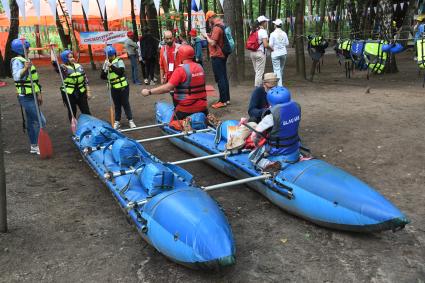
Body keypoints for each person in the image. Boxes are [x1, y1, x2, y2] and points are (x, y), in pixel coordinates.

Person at [141, 45, 207, 120]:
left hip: (186, 109)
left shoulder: (180, 70)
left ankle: (181, 125)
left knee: (172, 124)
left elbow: (167, 88)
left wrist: (149, 92)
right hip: (203, 107)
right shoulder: (200, 67)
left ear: (181, 55)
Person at [249, 86, 301, 173]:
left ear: (270, 102)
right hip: (294, 146)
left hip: (278, 150)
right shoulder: (297, 107)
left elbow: (255, 134)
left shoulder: (271, 116)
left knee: (251, 156)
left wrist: (256, 142)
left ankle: (267, 164)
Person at [11, 38, 46, 155]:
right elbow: (16, 77)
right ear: (21, 49)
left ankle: (34, 146)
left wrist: (39, 93)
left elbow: (34, 80)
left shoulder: (26, 59)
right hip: (25, 97)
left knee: (31, 122)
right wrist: (25, 68)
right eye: (27, 48)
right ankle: (37, 144)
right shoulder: (17, 61)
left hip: (33, 95)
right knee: (41, 121)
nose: (29, 49)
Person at [101, 46, 136, 130]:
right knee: (117, 105)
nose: (109, 58)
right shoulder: (106, 62)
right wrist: (105, 69)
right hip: (113, 87)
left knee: (125, 103)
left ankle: (130, 120)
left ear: (113, 54)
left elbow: (120, 72)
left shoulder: (119, 61)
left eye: (110, 56)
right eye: (107, 56)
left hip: (123, 86)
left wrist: (111, 66)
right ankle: (117, 121)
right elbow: (102, 77)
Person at [51, 49, 91, 123]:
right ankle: (75, 129)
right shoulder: (63, 68)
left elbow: (85, 79)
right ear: (65, 59)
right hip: (69, 93)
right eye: (70, 57)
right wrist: (52, 50)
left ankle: (90, 127)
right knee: (72, 112)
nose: (72, 58)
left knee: (86, 111)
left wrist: (88, 92)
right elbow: (54, 63)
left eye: (72, 56)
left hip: (81, 91)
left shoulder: (79, 66)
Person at [203, 12, 230, 109]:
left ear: (211, 18)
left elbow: (213, 43)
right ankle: (226, 99)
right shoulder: (222, 25)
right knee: (224, 77)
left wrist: (206, 36)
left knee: (220, 78)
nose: (208, 22)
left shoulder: (216, 27)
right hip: (222, 55)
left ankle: (222, 101)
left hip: (217, 56)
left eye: (208, 20)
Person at [249, 16, 273, 87]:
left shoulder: (252, 30)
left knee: (257, 71)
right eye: (266, 22)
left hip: (252, 53)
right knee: (259, 72)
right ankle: (257, 89)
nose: (266, 23)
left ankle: (259, 87)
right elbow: (265, 44)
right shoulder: (263, 31)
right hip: (260, 53)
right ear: (262, 23)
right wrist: (271, 49)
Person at [269, 19, 289, 86]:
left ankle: (279, 85)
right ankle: (280, 83)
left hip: (275, 53)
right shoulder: (284, 33)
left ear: (275, 25)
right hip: (283, 53)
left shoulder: (272, 34)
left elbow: (270, 44)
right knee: (281, 69)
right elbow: (287, 43)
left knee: (276, 69)